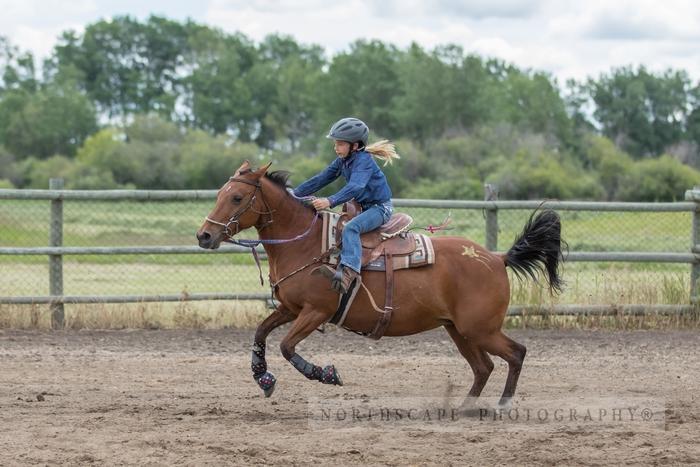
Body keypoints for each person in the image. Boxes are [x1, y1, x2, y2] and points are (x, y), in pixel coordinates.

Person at [293, 117, 399, 293]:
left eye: (341, 144)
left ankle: (350, 273)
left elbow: (356, 186)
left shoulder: (364, 161)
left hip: (380, 209)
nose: (336, 148)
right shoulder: (342, 161)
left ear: (355, 146)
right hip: (364, 208)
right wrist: (292, 194)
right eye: (335, 143)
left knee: (351, 228)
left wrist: (330, 201)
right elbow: (320, 179)